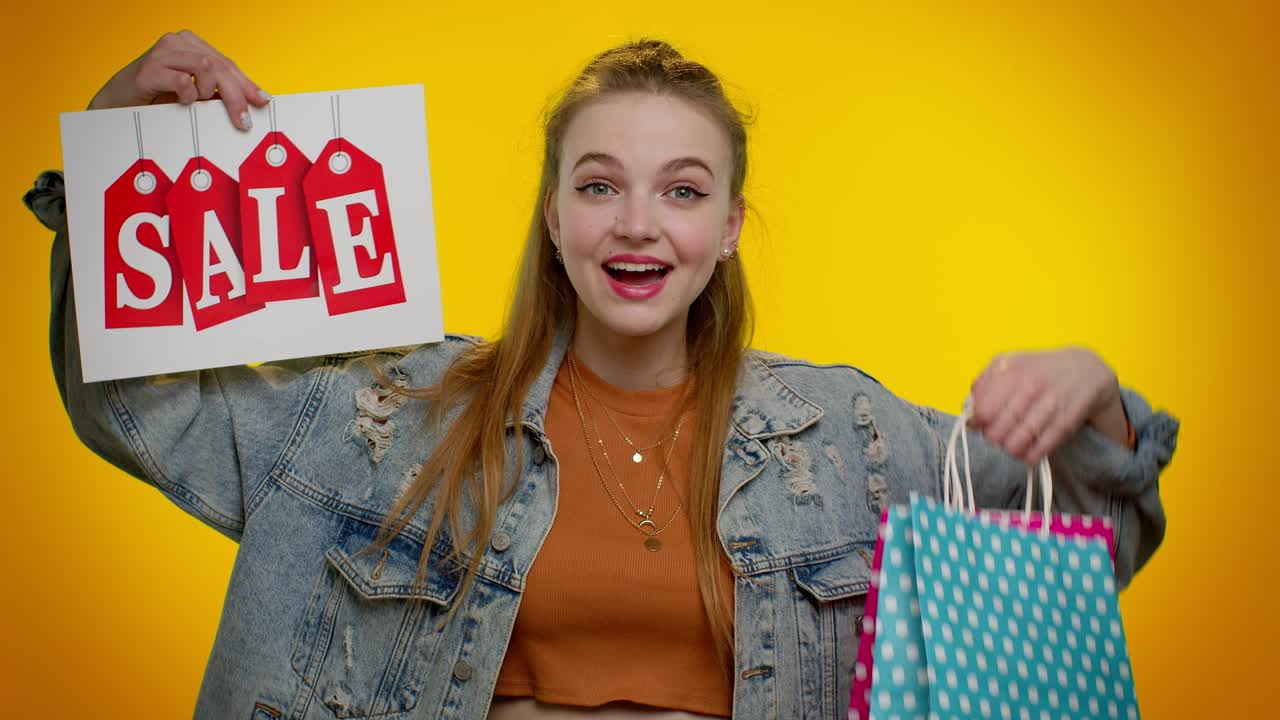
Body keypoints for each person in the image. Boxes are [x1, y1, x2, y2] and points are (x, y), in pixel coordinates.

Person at [29, 30, 1179, 720]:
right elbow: (139, 405)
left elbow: (1089, 547)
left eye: (681, 190)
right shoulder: (396, 415)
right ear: (553, 214)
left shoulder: (851, 441)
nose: (637, 223)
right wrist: (110, 168)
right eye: (598, 185)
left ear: (726, 227)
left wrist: (1094, 396)